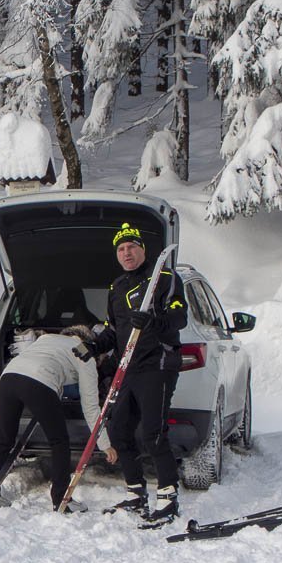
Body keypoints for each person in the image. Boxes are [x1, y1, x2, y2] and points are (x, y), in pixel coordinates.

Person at [87, 223, 188, 523]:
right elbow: (112, 330)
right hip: (127, 368)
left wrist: (154, 321)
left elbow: (179, 317)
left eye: (131, 246)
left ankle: (168, 496)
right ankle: (136, 493)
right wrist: (91, 347)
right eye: (121, 249)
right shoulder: (116, 287)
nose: (126, 252)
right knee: (119, 432)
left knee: (153, 433)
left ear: (143, 249)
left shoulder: (165, 278)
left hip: (157, 364)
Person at [0, 325, 116, 512]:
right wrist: (105, 444)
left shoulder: (46, 339)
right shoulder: (86, 355)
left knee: (4, 439)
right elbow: (90, 407)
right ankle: (61, 499)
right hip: (40, 383)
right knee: (59, 441)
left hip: (9, 378)